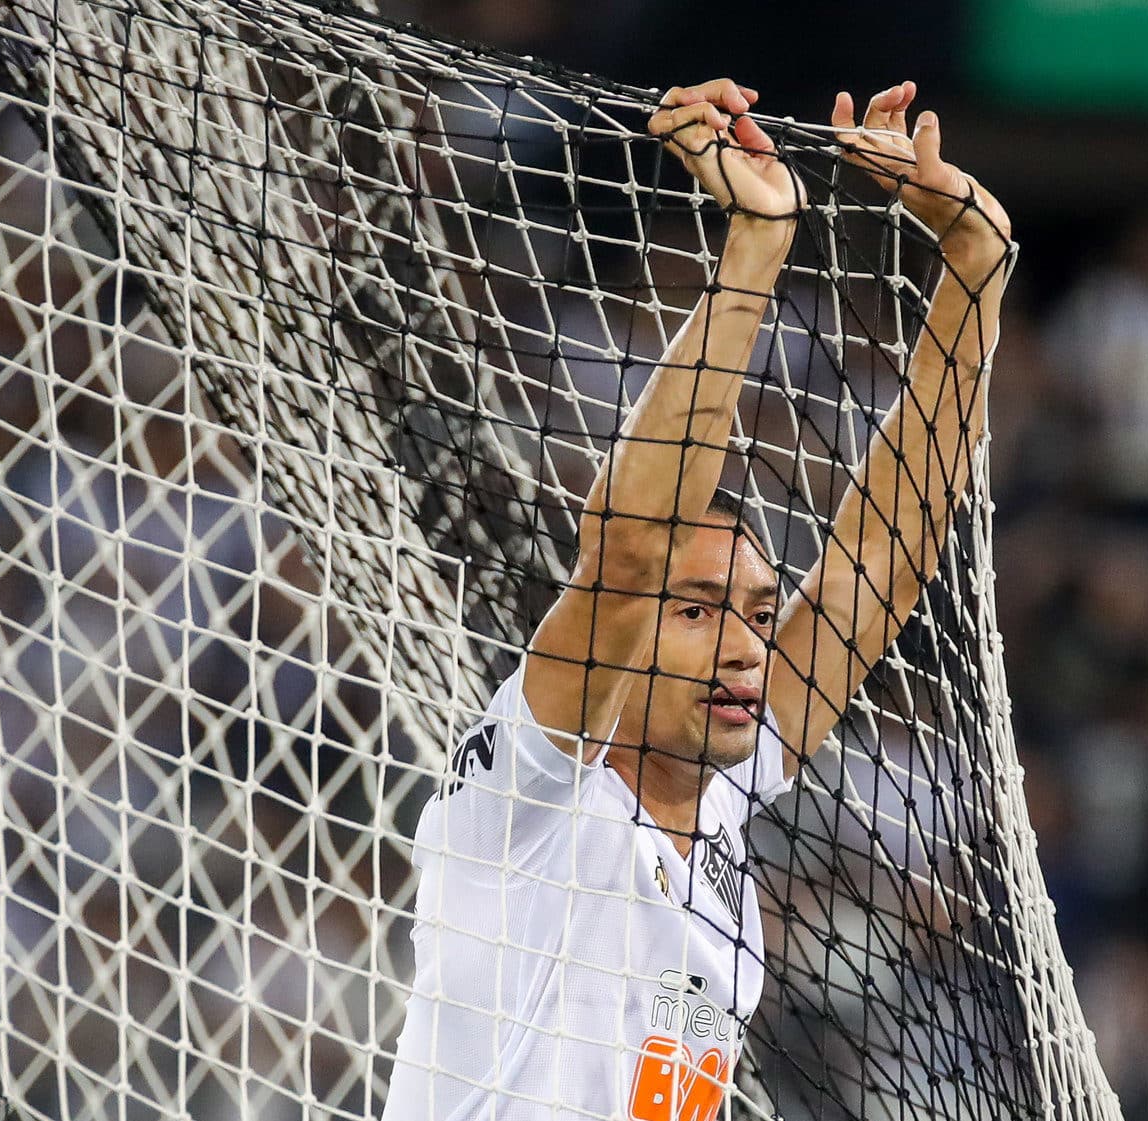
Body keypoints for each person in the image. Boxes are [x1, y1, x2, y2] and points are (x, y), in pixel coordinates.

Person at [382, 77, 1013, 1120]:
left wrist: (974, 275)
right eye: (697, 609)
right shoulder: (533, 793)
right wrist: (756, 246)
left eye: (758, 614)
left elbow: (874, 564)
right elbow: (631, 551)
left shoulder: (720, 803)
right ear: (626, 635)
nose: (745, 646)